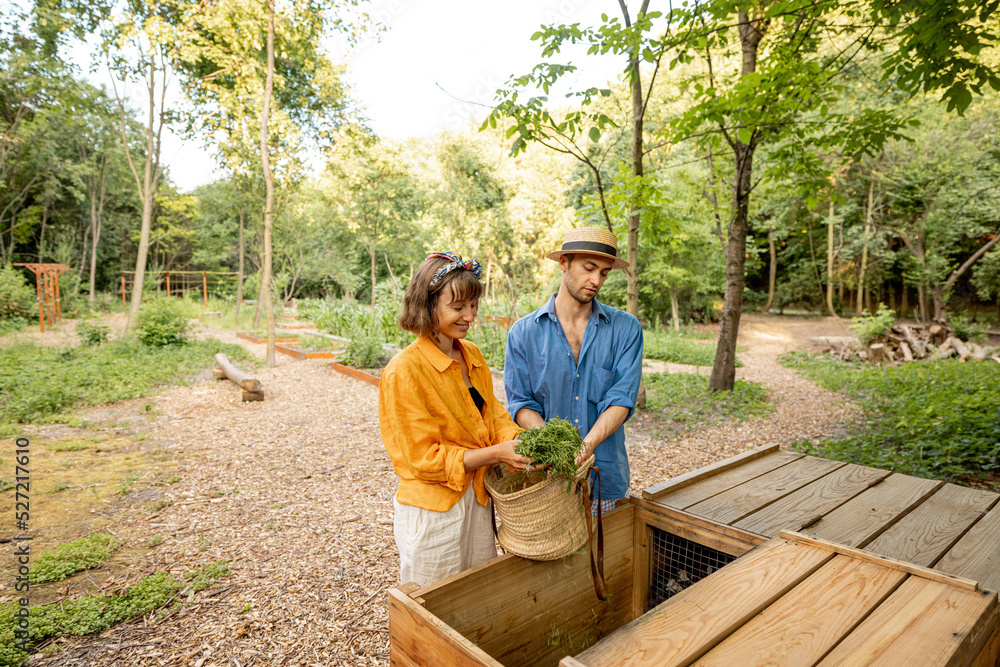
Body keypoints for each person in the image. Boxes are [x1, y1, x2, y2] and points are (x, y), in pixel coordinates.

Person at [379, 251, 534, 586]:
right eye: (458, 307)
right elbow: (424, 460)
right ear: (428, 304)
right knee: (432, 608)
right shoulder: (405, 371)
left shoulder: (471, 354)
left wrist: (515, 439)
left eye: (474, 305)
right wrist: (496, 454)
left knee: (476, 595)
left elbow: (492, 414)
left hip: (477, 496)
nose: (469, 316)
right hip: (435, 509)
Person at [504, 227, 643, 514]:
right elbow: (520, 403)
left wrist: (586, 446)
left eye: (604, 273)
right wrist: (559, 448)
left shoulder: (626, 329)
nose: (596, 281)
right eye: (589, 268)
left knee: (605, 558)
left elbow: (621, 399)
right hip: (545, 480)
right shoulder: (524, 333)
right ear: (564, 262)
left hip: (605, 479)